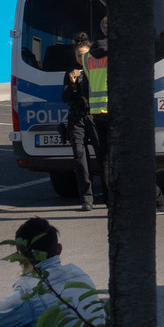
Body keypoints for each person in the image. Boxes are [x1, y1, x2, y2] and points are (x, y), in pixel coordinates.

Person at [81, 17, 164, 214]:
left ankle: (114, 204)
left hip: (98, 115)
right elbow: (154, 56)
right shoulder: (124, 52)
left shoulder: (88, 57)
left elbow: (87, 88)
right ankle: (158, 202)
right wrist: (162, 40)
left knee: (107, 161)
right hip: (121, 115)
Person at [61, 33, 101, 212]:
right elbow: (64, 97)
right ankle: (87, 198)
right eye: (79, 55)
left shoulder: (97, 68)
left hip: (94, 116)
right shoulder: (71, 72)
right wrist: (72, 83)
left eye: (85, 55)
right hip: (76, 118)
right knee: (80, 158)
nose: (81, 58)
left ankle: (110, 194)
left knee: (103, 156)